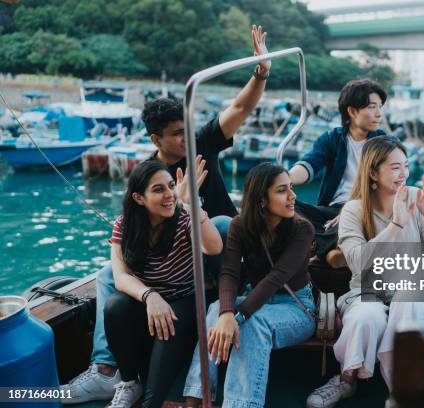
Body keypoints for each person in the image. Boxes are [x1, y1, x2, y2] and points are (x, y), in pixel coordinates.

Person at [61, 25, 272, 404]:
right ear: (155, 139)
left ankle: (229, 293)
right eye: (176, 133)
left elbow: (240, 108)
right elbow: (138, 226)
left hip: (216, 246)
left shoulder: (203, 142)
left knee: (226, 223)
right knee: (109, 273)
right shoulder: (148, 176)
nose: (184, 137)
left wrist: (260, 72)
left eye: (185, 129)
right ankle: (106, 369)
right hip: (174, 254)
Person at [306, 137, 424, 408]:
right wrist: (396, 224)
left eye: (406, 166)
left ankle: (402, 393)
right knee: (365, 317)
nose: (404, 174)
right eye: (395, 167)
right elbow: (358, 262)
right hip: (367, 291)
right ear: (373, 172)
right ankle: (346, 380)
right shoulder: (354, 210)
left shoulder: (417, 198)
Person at [183, 162, 316, 408]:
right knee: (215, 311)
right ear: (261, 200)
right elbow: (230, 273)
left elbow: (276, 277)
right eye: (282, 190)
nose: (292, 196)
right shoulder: (240, 225)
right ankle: (195, 399)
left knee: (253, 324)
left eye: (291, 188)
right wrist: (225, 313)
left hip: (297, 306)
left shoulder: (302, 229)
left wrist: (237, 316)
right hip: (256, 299)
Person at [103, 158, 222, 407]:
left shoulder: (184, 218)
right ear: (138, 198)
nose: (169, 195)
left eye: (170, 186)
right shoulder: (124, 225)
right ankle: (129, 382)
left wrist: (192, 206)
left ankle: (151, 401)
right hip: (151, 300)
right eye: (158, 190)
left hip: (186, 299)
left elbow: (213, 247)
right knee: (115, 306)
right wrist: (150, 296)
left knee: (170, 321)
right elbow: (121, 277)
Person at [288, 79, 387, 268]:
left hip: (367, 206)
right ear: (352, 111)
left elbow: (389, 187)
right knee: (288, 208)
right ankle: (332, 249)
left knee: (349, 219)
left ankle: (323, 249)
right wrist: (286, 178)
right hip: (331, 209)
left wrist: (352, 209)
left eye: (380, 107)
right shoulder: (332, 139)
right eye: (372, 107)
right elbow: (309, 164)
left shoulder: (385, 143)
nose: (379, 113)